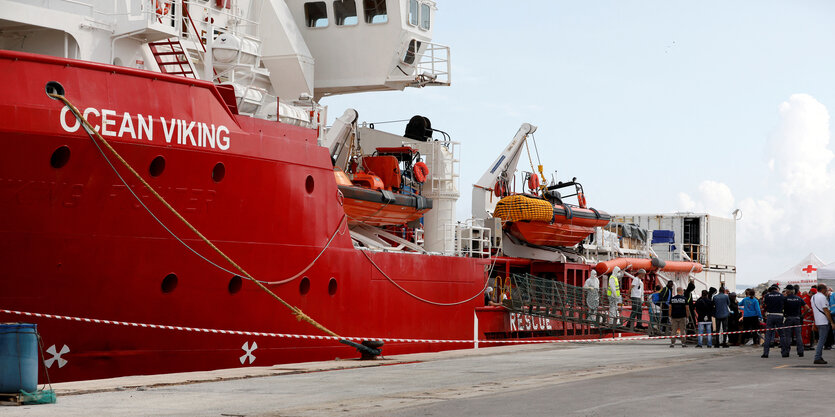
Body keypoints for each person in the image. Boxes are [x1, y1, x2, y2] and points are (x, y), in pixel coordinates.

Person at [811, 284, 835, 364]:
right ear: (823, 289)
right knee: (822, 340)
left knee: (821, 339)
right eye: (826, 289)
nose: (827, 290)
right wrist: (831, 322)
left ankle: (819, 356)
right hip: (823, 321)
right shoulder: (822, 297)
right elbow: (826, 311)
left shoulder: (813, 297)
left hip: (818, 321)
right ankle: (817, 357)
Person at [781, 286, 807, 358]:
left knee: (787, 336)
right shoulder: (799, 298)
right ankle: (800, 352)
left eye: (786, 290)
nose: (785, 291)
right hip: (797, 318)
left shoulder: (785, 299)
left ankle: (786, 352)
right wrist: (802, 315)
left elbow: (781, 307)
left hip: (788, 318)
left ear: (788, 291)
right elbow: (807, 308)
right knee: (798, 336)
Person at [761, 285, 786, 358]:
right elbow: (784, 305)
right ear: (776, 289)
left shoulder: (767, 296)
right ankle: (784, 353)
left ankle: (765, 353)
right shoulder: (781, 296)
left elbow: (764, 306)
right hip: (779, 315)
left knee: (768, 335)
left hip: (770, 315)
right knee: (782, 334)